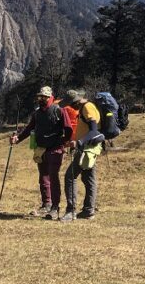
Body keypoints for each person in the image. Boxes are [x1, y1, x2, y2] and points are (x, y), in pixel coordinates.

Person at [10, 85, 72, 219]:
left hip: (55, 149)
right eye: (40, 96)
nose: (41, 99)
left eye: (44, 97)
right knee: (43, 178)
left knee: (53, 178)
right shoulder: (37, 113)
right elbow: (29, 129)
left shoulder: (59, 111)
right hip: (40, 149)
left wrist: (64, 141)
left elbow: (68, 129)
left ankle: (55, 208)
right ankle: (46, 204)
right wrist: (17, 139)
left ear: (50, 97)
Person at [60, 89, 104, 222]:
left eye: (70, 103)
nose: (70, 106)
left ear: (76, 101)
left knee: (70, 176)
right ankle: (88, 211)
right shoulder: (87, 107)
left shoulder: (87, 108)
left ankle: (71, 211)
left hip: (87, 149)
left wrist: (78, 142)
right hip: (89, 148)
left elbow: (94, 131)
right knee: (88, 178)